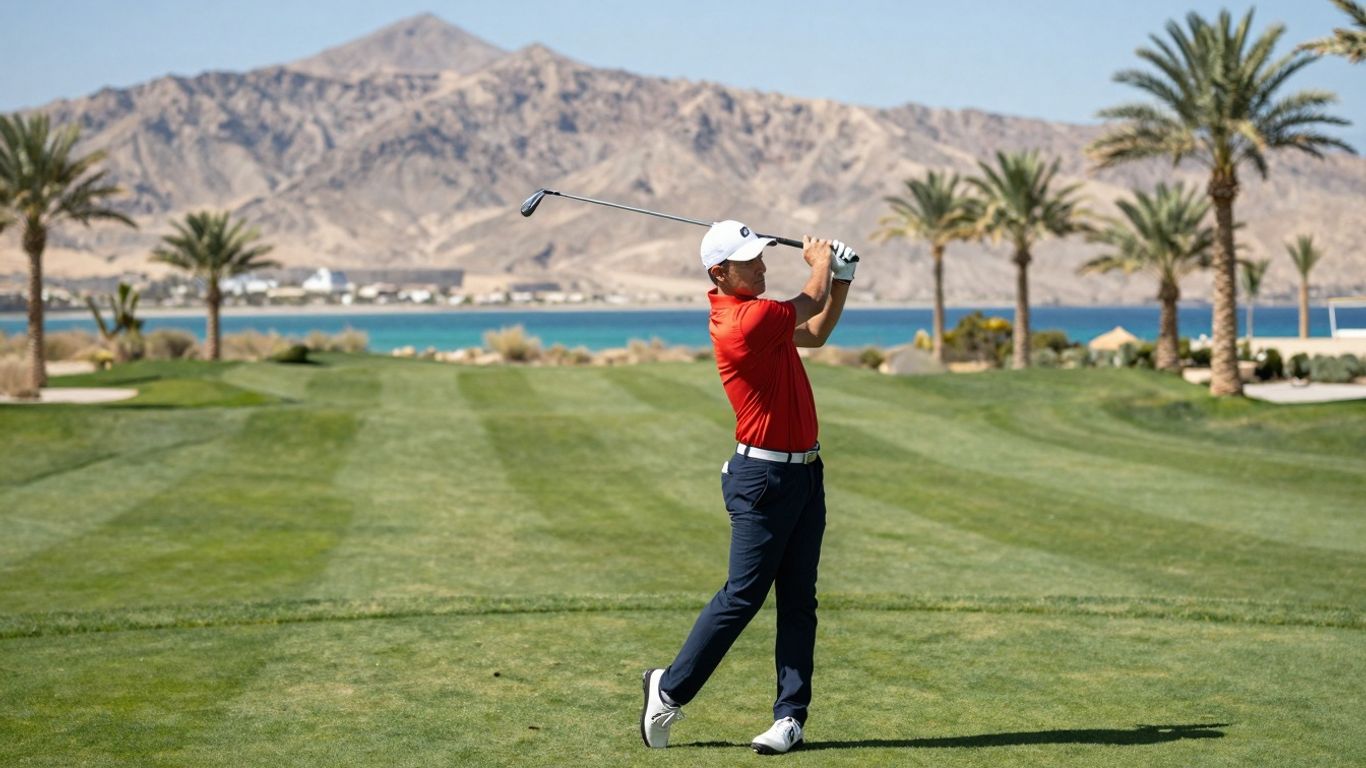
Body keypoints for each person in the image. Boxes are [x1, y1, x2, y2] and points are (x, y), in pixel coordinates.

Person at [641, 220, 859, 755]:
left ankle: (790, 717)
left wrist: (843, 280)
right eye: (750, 262)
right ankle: (668, 689)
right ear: (719, 273)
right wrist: (822, 266)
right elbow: (808, 301)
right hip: (762, 479)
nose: (762, 266)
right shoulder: (744, 320)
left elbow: (816, 332)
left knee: (798, 600)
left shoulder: (761, 317)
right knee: (743, 596)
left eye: (761, 257)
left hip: (806, 473)